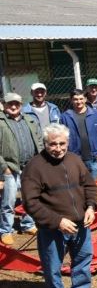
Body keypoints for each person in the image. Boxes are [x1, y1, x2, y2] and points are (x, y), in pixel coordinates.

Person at [21, 123, 97, 288]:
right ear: (45, 143)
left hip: (81, 223)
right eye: (53, 144)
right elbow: (30, 203)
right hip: (53, 228)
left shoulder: (75, 160)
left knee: (83, 259)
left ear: (68, 142)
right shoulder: (35, 167)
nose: (58, 149)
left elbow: (89, 185)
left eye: (62, 144)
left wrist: (91, 206)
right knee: (52, 266)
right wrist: (57, 221)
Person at [0, 92, 43, 245]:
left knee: (30, 198)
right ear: (4, 105)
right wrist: (4, 167)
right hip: (10, 168)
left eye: (16, 104)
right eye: (10, 103)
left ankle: (28, 224)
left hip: (30, 166)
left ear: (20, 105)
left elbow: (39, 141)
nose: (13, 106)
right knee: (8, 201)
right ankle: (6, 230)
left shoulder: (29, 120)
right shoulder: (0, 121)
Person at [60, 88, 97, 179]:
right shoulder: (65, 117)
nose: (78, 102)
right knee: (77, 187)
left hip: (94, 159)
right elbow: (60, 139)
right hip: (74, 160)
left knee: (93, 187)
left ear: (85, 99)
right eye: (75, 99)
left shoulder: (95, 114)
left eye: (81, 99)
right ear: (71, 100)